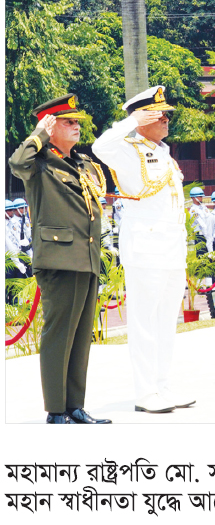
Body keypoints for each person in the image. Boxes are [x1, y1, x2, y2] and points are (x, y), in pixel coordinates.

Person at [9, 94, 111, 424]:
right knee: (59, 336)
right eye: (68, 122)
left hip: (86, 257)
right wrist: (38, 134)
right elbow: (16, 162)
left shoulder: (80, 163)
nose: (76, 126)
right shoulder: (39, 163)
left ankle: (74, 406)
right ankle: (56, 409)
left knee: (81, 336)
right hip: (59, 259)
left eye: (77, 121)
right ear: (50, 127)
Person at [92, 85, 193, 414]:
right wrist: (131, 121)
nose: (166, 120)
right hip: (146, 248)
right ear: (142, 118)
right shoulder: (126, 148)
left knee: (166, 321)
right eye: (159, 115)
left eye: (166, 115)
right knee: (144, 322)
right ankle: (145, 391)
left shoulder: (164, 152)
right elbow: (99, 145)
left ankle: (163, 386)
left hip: (172, 248)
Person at [188, 186, 209, 255]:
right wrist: (207, 236)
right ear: (194, 198)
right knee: (202, 255)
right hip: (200, 236)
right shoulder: (193, 210)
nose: (201, 198)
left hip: (207, 234)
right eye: (199, 196)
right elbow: (202, 224)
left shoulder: (203, 207)